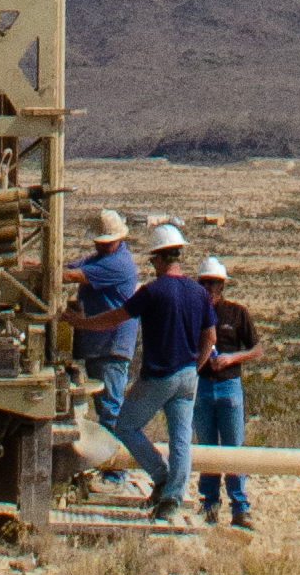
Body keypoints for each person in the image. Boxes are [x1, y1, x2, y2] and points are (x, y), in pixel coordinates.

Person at [106, 223, 215, 526]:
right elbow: (211, 337)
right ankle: (172, 497)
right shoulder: (199, 292)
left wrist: (78, 321)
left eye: (153, 260)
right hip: (187, 375)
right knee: (181, 440)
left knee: (126, 426)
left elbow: (116, 317)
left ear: (158, 258)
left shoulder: (152, 292)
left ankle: (162, 477)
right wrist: (196, 366)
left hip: (159, 375)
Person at [65, 209, 140, 484]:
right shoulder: (101, 258)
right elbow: (73, 267)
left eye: (105, 240)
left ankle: (116, 468)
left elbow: (72, 276)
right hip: (99, 342)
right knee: (103, 406)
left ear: (118, 239)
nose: (101, 244)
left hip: (112, 344)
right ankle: (105, 464)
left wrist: (47, 271)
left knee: (111, 409)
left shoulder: (118, 264)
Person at [192, 254, 257, 530]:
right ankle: (209, 503)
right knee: (207, 447)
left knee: (233, 448)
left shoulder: (237, 313)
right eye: (204, 283)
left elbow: (256, 348)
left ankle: (239, 506)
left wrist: (231, 359)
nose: (208, 288)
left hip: (230, 385)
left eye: (214, 283)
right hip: (202, 385)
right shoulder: (192, 313)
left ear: (222, 285)